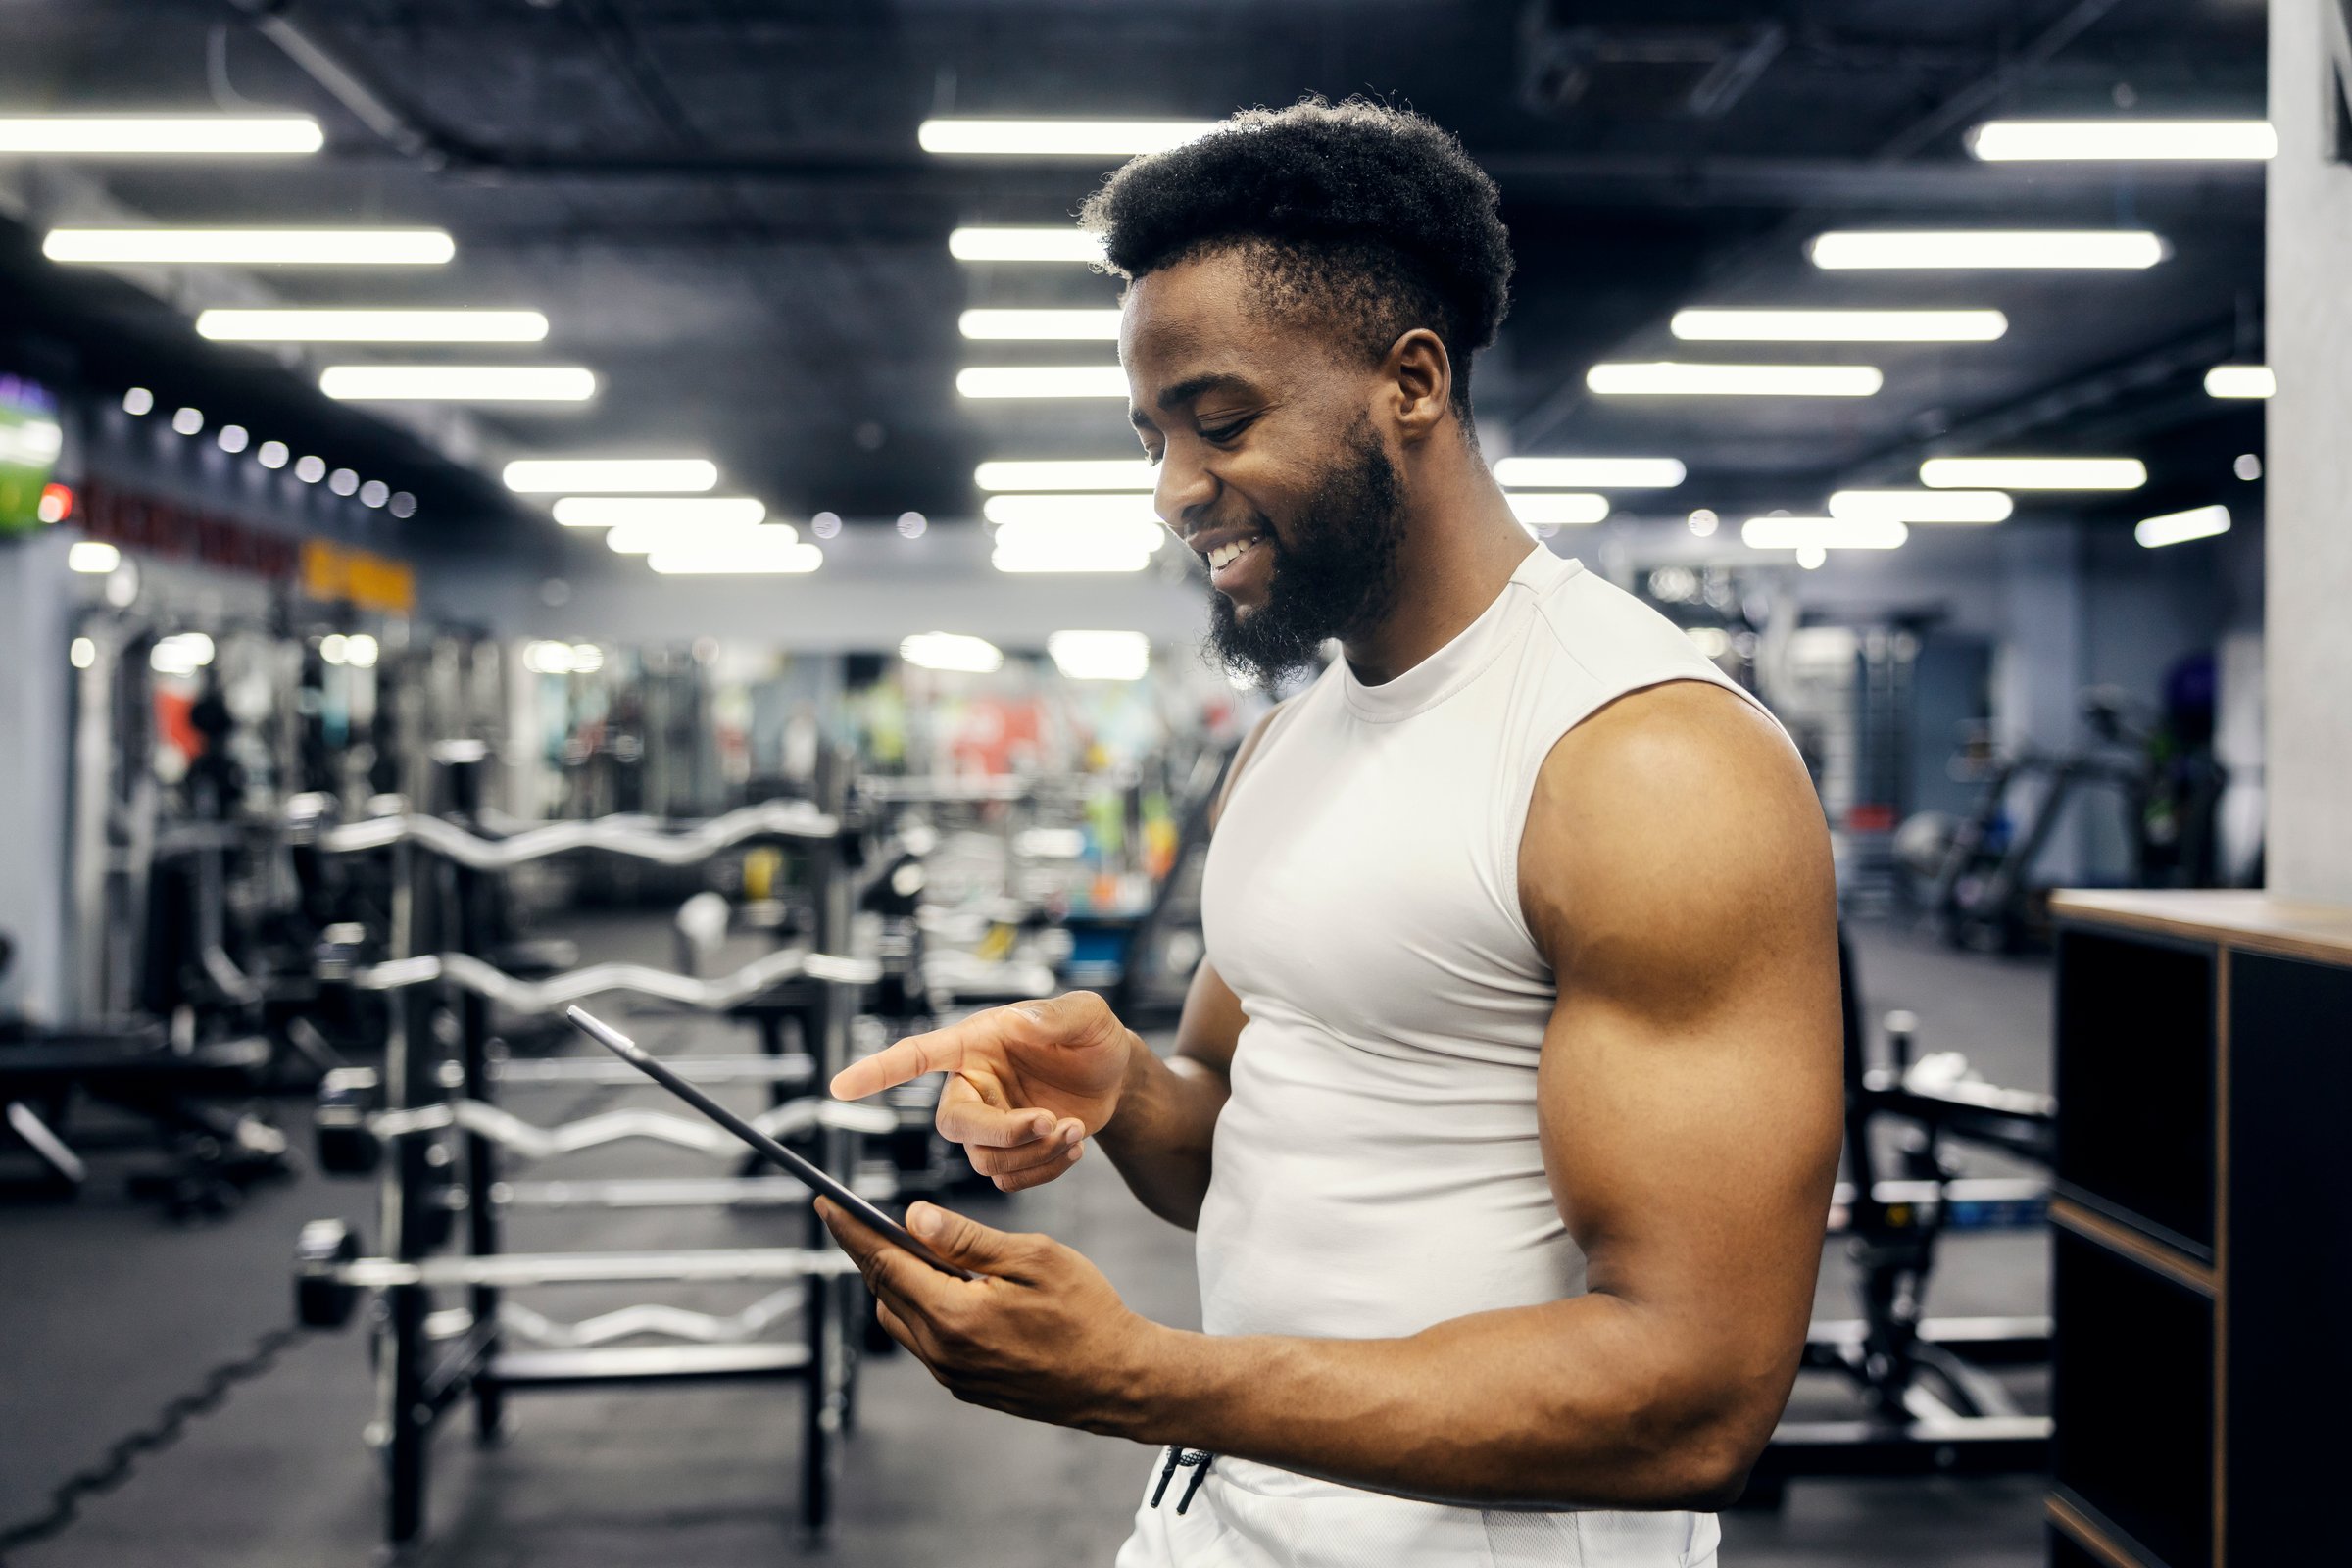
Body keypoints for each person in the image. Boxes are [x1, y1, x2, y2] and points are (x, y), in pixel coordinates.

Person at [820, 99, 1842, 1567]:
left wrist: (1138, 1374)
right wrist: (1121, 1090)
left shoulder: (1643, 761)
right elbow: (1241, 1144)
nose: (1176, 489)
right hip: (1221, 1514)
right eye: (1155, 434)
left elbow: (1694, 1398)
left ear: (1409, 382)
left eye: (1221, 422)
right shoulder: (1300, 730)